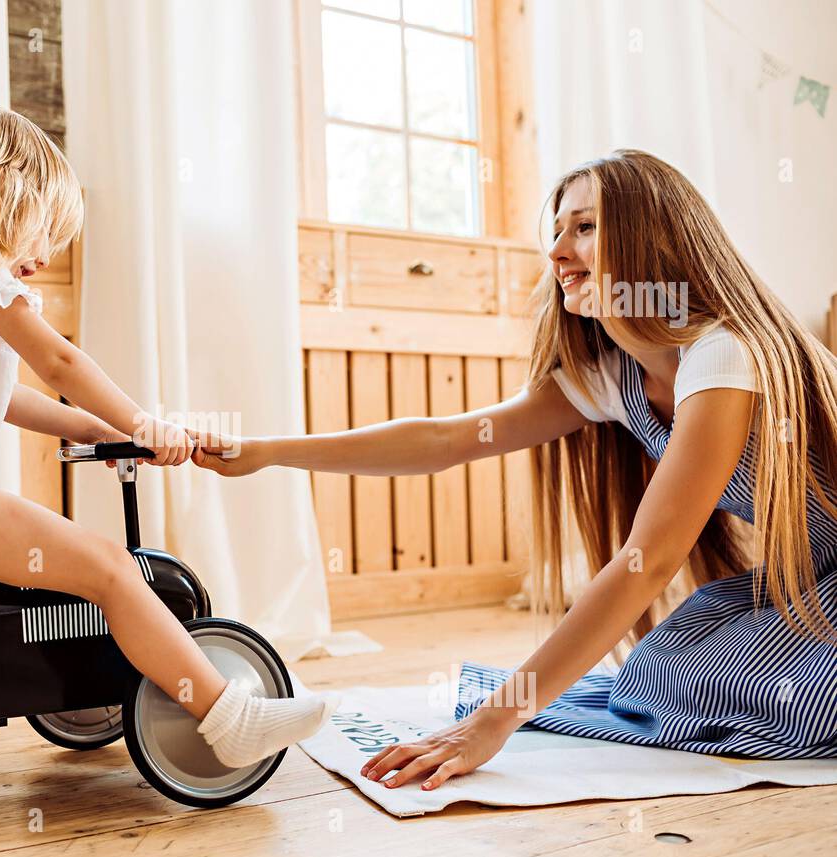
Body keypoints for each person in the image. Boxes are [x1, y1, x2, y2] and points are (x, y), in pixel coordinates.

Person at [195, 149, 837, 790]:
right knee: (659, 678)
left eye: (585, 228)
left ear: (656, 237)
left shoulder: (724, 353)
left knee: (782, 699)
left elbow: (653, 556)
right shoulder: (616, 374)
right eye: (556, 232)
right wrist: (268, 452)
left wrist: (493, 721)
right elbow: (445, 439)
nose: (559, 252)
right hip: (815, 581)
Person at [0, 108, 337, 766]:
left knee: (42, 573)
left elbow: (7, 396)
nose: (43, 256)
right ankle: (226, 716)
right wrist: (141, 423)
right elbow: (61, 364)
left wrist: (107, 432)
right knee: (108, 567)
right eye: (44, 229)